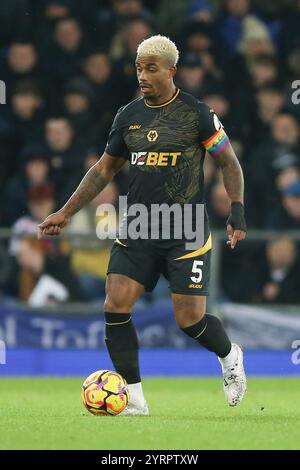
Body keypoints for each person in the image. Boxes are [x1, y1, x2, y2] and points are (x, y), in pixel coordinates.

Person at [38, 35, 247, 415]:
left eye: (151, 68)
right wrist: (65, 212)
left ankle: (230, 354)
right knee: (115, 304)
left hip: (185, 229)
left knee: (189, 319)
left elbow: (228, 162)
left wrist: (237, 210)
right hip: (138, 225)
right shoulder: (127, 116)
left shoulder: (198, 114)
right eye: (139, 68)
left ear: (171, 70)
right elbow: (104, 170)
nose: (143, 76)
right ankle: (133, 396)